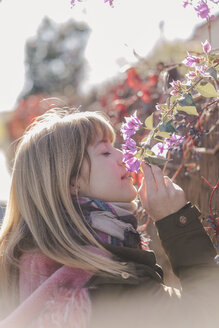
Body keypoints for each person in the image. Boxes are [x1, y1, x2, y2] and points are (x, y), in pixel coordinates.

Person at [0, 108, 218, 328]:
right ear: (71, 181)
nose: (123, 156)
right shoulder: (107, 288)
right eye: (105, 152)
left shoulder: (42, 269)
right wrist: (176, 221)